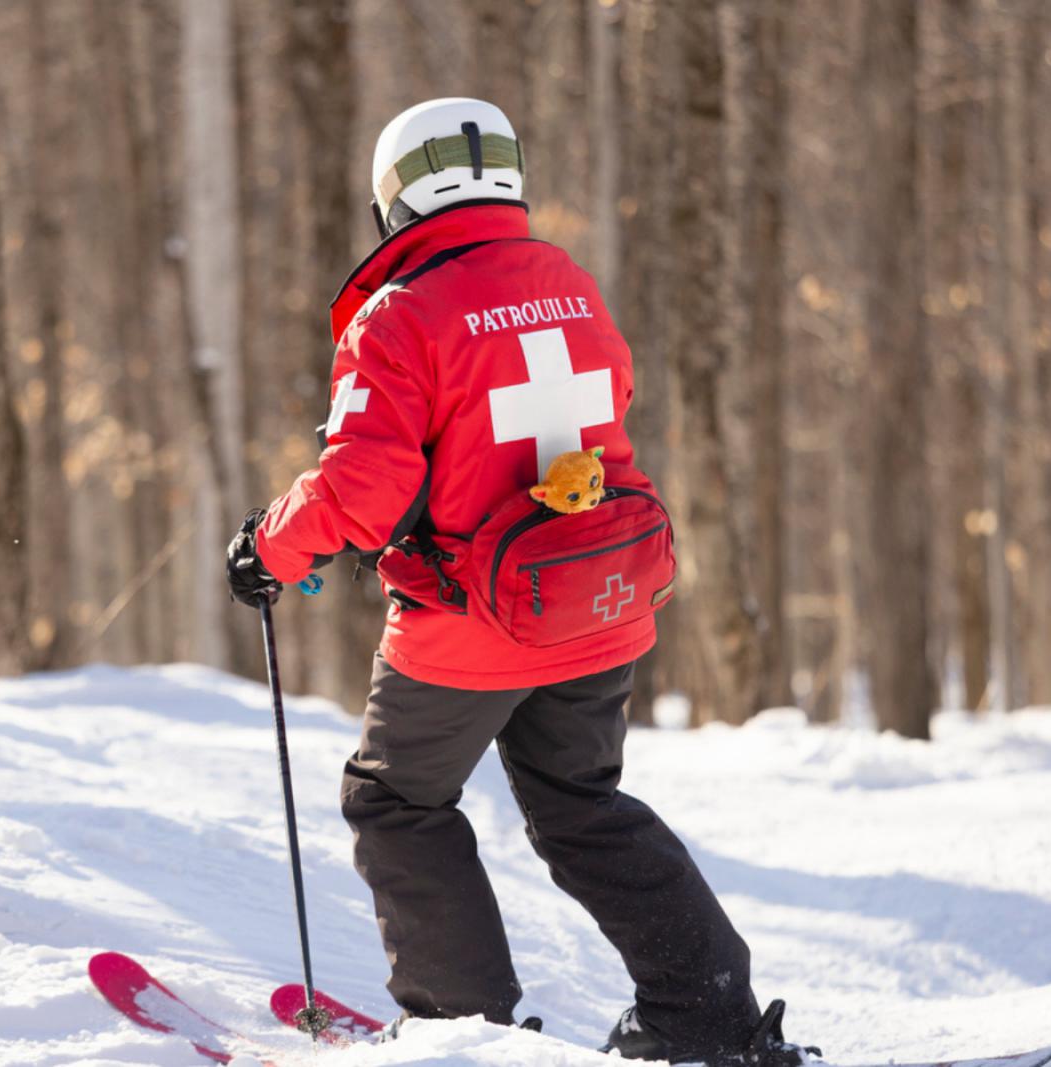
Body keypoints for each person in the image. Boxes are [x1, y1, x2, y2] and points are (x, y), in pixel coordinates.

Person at [225, 97, 816, 1066]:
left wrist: (269, 547)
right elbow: (608, 400)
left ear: (395, 199)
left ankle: (464, 1035)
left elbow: (365, 486)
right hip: (597, 600)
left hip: (471, 622)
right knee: (582, 804)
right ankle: (707, 1016)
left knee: (396, 800)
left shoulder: (400, 312)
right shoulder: (566, 281)